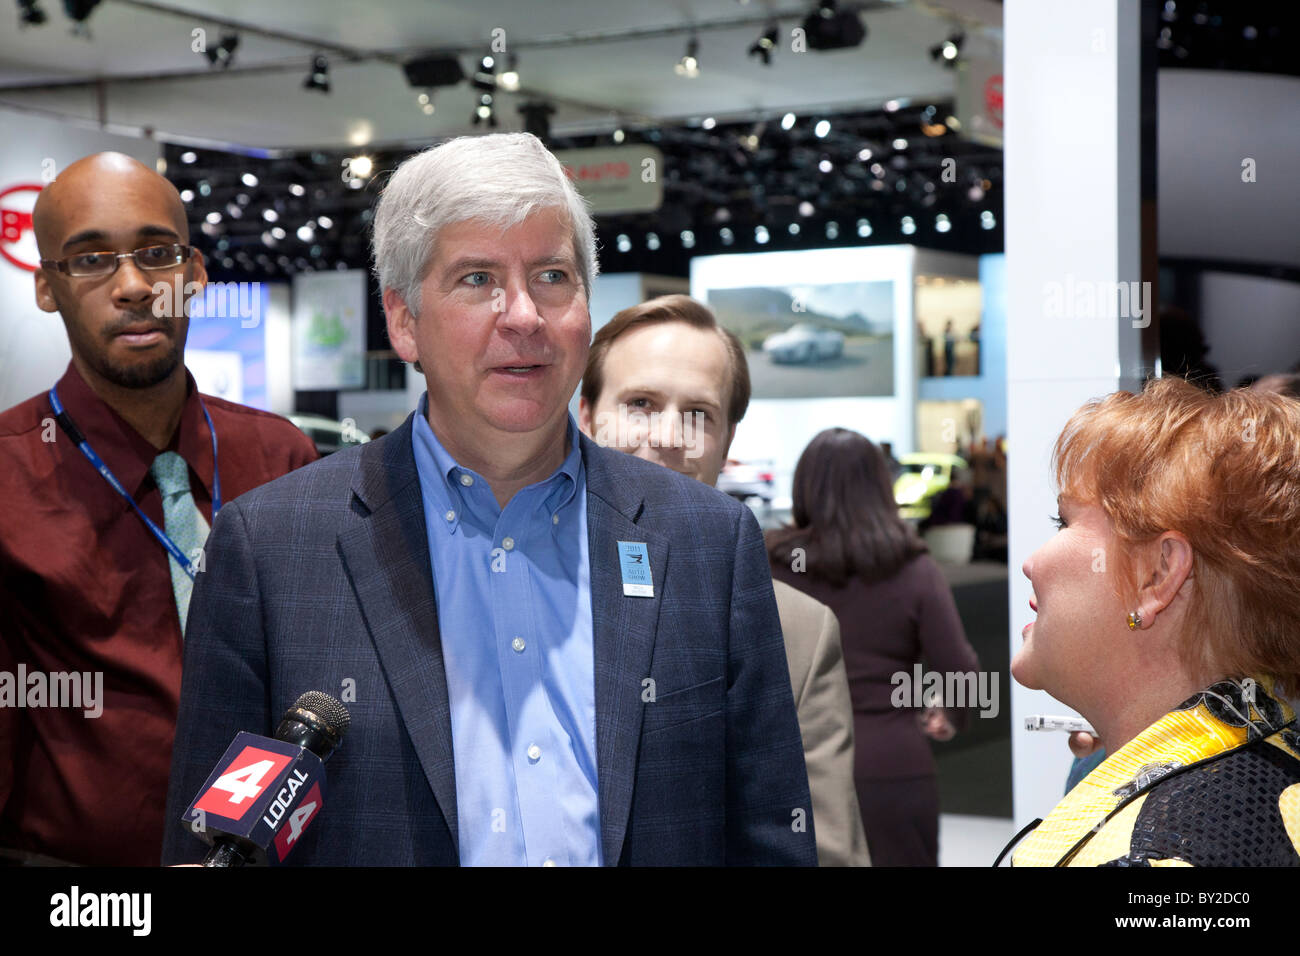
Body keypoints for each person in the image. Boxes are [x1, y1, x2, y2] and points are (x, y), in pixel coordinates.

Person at [161, 133, 815, 867]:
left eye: (552, 275)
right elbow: (209, 853)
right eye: (477, 279)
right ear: (404, 320)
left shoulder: (707, 543)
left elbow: (771, 838)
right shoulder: (271, 551)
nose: (525, 316)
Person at [0, 152, 317, 866]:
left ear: (195, 273)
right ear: (48, 287)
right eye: (90, 261)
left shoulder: (282, 459)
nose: (136, 287)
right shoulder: (9, 476)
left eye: (157, 254)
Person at [577, 293, 870, 866]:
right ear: (586, 418)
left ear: (727, 441)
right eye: (639, 404)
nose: (666, 435)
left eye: (698, 415)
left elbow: (820, 851)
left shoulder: (796, 633)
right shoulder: (501, 585)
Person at [1010, 376, 1300, 866]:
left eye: (1064, 521)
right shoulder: (1266, 782)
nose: (1030, 563)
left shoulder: (1159, 855)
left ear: (1158, 574)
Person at [768, 429, 980, 866]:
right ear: (882, 486)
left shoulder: (772, 564)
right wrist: (951, 714)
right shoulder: (913, 565)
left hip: (795, 771)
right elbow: (959, 668)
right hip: (893, 768)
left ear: (803, 486)